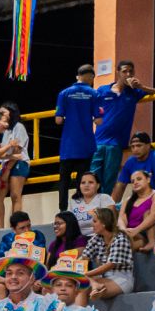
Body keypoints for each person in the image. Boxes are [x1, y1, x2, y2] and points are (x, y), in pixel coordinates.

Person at [91, 60, 155, 194]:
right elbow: (92, 105)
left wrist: (141, 86)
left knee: (109, 179)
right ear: (118, 72)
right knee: (92, 177)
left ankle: (104, 205)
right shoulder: (103, 90)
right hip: (98, 141)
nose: (128, 74)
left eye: (130, 71)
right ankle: (92, 204)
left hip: (115, 143)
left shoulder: (134, 92)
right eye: (124, 71)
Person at [55, 64, 102, 211]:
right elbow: (98, 120)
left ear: (78, 75)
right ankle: (79, 210)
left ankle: (63, 210)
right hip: (85, 145)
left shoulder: (64, 93)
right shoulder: (94, 94)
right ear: (90, 76)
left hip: (68, 146)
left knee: (64, 180)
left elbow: (58, 120)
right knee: (82, 181)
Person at [0, 103, 30, 227]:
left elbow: (17, 150)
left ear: (11, 113)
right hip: (6, 164)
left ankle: (16, 227)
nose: (0, 115)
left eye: (3, 112)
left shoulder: (19, 127)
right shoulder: (5, 130)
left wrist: (7, 169)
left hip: (18, 163)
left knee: (15, 195)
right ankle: (0, 229)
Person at [83, 207, 136, 301]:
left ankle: (95, 286)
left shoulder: (120, 239)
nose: (92, 224)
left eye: (95, 221)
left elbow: (110, 265)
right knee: (78, 281)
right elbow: (84, 258)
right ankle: (95, 285)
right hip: (104, 277)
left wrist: (86, 274)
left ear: (104, 223)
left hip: (121, 279)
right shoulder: (96, 238)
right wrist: (71, 267)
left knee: (82, 285)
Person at [111, 132, 155, 203]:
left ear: (148, 146)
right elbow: (120, 185)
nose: (135, 149)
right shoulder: (130, 161)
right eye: (133, 147)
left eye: (139, 146)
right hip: (139, 202)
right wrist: (112, 205)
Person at [118, 169, 155, 251]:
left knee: (148, 213)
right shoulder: (128, 200)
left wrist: (136, 230)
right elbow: (121, 218)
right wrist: (124, 231)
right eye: (132, 181)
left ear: (148, 179)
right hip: (133, 235)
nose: (135, 182)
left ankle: (151, 242)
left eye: (139, 179)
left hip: (152, 233)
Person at [69, 172, 117, 238]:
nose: (86, 185)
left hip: (100, 237)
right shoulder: (74, 201)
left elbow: (110, 223)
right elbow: (70, 223)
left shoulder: (104, 198)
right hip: (78, 238)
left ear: (98, 185)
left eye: (91, 182)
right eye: (83, 183)